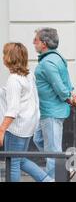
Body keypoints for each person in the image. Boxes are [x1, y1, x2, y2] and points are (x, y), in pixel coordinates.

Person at [32, 28, 76, 179]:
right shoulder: (57, 58)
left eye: (36, 40)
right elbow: (66, 80)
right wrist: (71, 93)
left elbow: (59, 86)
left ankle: (55, 177)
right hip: (46, 110)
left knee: (52, 150)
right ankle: (64, 166)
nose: (33, 43)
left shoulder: (48, 62)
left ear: (44, 43)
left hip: (51, 111)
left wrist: (69, 97)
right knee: (38, 139)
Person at [0, 43, 53, 182]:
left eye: (4, 54)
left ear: (9, 58)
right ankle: (47, 180)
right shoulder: (27, 75)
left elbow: (13, 110)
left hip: (17, 127)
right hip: (28, 124)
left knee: (13, 162)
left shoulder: (13, 80)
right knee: (20, 159)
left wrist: (2, 130)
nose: (3, 57)